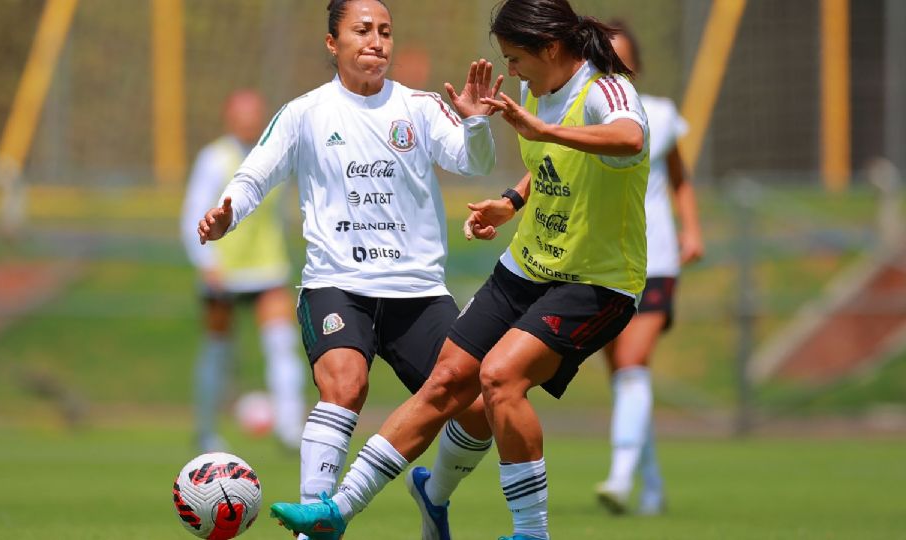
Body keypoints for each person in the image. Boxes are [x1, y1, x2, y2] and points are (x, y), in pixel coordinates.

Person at [267, 1, 649, 539]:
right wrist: (510, 203)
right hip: (526, 266)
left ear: (552, 48)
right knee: (448, 382)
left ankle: (531, 533)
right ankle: (339, 511)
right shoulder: (533, 94)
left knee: (500, 378)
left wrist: (542, 131)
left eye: (516, 59)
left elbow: (629, 138)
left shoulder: (606, 91)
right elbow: (552, 168)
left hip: (597, 280)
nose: (511, 72)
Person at [196, 1, 503, 538]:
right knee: (345, 383)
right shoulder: (305, 112)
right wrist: (228, 213)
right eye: (362, 30)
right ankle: (313, 522)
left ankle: (434, 495)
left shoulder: (421, 107)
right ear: (332, 43)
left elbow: (471, 161)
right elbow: (254, 175)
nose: (376, 41)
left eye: (385, 31)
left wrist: (476, 124)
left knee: (478, 408)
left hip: (418, 291)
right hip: (337, 286)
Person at [591, 21, 704, 516]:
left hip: (654, 258)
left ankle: (619, 477)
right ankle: (652, 486)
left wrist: (691, 230)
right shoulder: (581, 115)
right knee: (624, 377)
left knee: (633, 364)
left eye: (622, 59)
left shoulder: (657, 114)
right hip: (602, 263)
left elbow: (680, 180)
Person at [181, 89, 305, 453]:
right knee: (217, 350)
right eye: (242, 113)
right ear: (229, 117)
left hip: (267, 268)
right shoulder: (214, 158)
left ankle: (289, 427)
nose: (250, 119)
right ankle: (205, 432)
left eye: (256, 112)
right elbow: (191, 213)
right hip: (225, 270)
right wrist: (207, 263)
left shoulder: (275, 155)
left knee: (282, 344)